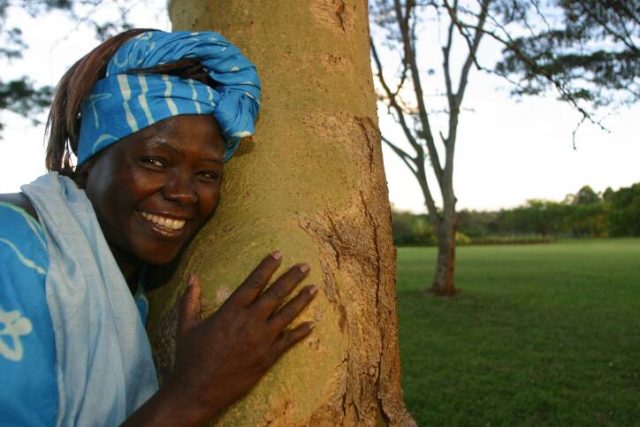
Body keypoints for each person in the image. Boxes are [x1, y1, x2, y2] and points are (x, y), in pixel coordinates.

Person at [0, 29, 317, 426]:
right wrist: (194, 393)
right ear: (92, 158)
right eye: (154, 161)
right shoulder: (10, 244)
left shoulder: (126, 282)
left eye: (206, 173)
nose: (183, 193)